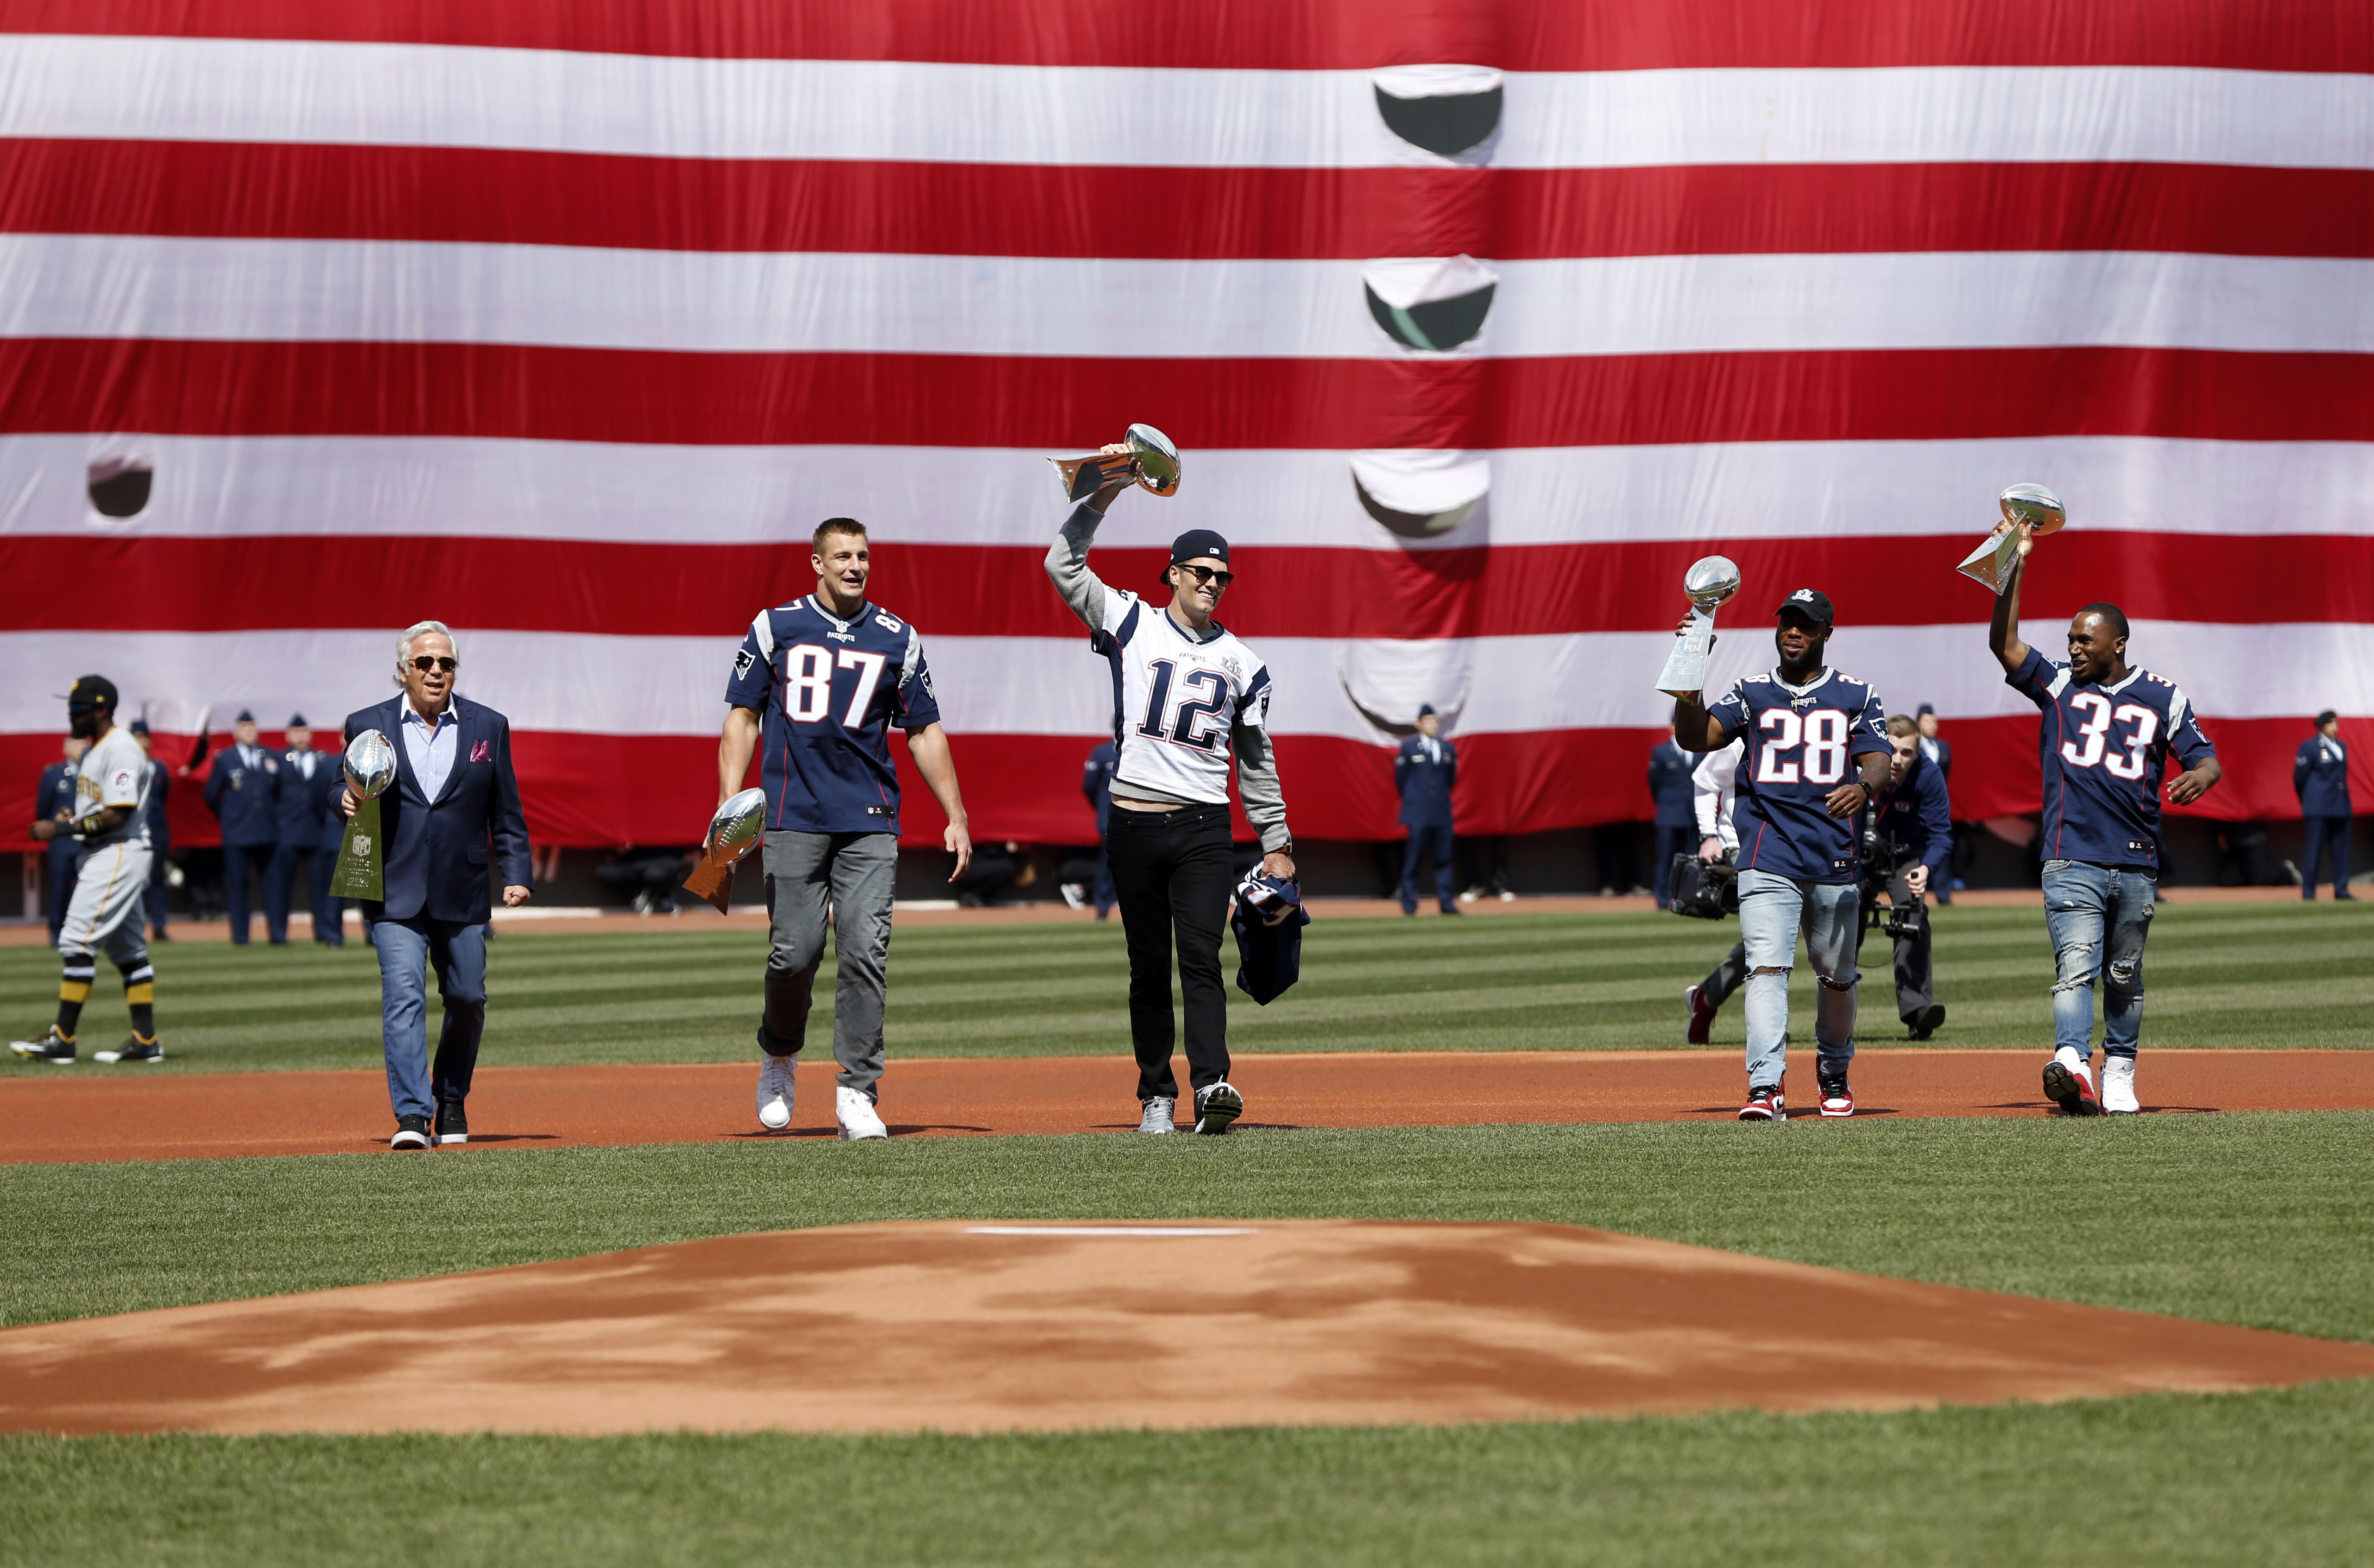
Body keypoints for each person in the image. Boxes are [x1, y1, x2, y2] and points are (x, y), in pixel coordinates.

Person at [1045, 452, 1295, 1136]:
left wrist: (1277, 842)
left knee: (1201, 958)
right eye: (1203, 574)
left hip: (1205, 828)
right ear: (1175, 574)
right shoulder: (1130, 620)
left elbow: (1256, 759)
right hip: (1133, 820)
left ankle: (1213, 1083)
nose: (1214, 585)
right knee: (1148, 966)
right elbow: (1062, 568)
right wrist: (1106, 493)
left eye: (1223, 576)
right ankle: (1156, 1091)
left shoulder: (1244, 661)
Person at [719, 517, 972, 1141]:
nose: (855, 566)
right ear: (817, 563)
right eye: (842, 556)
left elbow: (924, 730)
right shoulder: (777, 625)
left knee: (866, 951)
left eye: (863, 556)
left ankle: (858, 1089)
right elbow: (742, 717)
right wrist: (729, 807)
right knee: (794, 954)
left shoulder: (898, 637)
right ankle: (780, 1053)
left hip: (869, 820)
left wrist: (956, 814)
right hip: (792, 817)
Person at [1987, 523, 2220, 1115]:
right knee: (2075, 969)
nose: (2073, 649)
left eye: (2085, 640)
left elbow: (2207, 759)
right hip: (2071, 856)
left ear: (2118, 643)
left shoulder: (2163, 697)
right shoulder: (2059, 686)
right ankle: (2071, 1061)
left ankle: (2119, 1070)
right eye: (2069, 639)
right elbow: (2004, 643)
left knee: (2123, 975)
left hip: (2137, 858)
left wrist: (2201, 776)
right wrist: (2013, 566)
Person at [1671, 588, 1891, 1120]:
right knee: (1767, 970)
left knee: (1837, 976)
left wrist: (1864, 788)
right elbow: (1697, 737)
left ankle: (1834, 1071)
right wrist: (1689, 670)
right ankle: (1764, 1086)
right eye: (1787, 623)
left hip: (1833, 855)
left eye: (1806, 625)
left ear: (1826, 634)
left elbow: (1880, 758)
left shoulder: (1855, 693)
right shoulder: (1751, 692)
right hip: (1767, 854)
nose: (1794, 633)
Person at [341, 622, 534, 1150]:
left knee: (468, 997)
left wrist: (517, 874)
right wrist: (344, 797)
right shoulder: (367, 722)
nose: (436, 672)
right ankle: (411, 1114)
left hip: (464, 886)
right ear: (404, 669)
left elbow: (507, 809)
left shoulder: (488, 726)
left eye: (446, 664)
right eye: (425, 663)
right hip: (393, 885)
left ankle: (450, 1096)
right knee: (404, 995)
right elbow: (347, 778)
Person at [10, 677, 164, 1065]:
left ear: (100, 710)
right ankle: (146, 1041)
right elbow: (100, 811)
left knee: (76, 941)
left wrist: (60, 828)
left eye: (77, 708)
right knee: (129, 952)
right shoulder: (97, 750)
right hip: (108, 850)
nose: (71, 714)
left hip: (118, 851)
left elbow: (119, 814)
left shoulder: (121, 748)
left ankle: (63, 1038)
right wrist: (74, 818)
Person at [1866, 714, 1952, 1039]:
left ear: (1918, 753)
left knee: (1913, 910)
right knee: (1841, 914)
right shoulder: (1860, 764)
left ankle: (1917, 1011)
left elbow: (1942, 834)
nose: (1898, 760)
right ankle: (1835, 1014)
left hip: (1903, 855)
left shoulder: (1929, 775)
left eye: (1907, 753)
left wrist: (1925, 869)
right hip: (1856, 855)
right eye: (1893, 751)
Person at [1682, 737, 1747, 1043]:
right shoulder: (1746, 730)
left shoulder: (1818, 719)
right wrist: (1709, 834)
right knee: (1769, 938)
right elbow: (1705, 780)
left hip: (1798, 849)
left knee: (1769, 942)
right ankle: (1769, 1027)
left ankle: (1706, 998)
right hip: (1742, 846)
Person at [203, 710, 282, 944]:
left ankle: (278, 935)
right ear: (236, 732)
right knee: (238, 887)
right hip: (238, 833)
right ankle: (241, 936)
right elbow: (210, 795)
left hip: (266, 832)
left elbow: (278, 792)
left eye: (252, 727)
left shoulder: (269, 756)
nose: (249, 731)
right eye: (244, 727)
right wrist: (228, 816)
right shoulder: (225, 759)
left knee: (272, 887)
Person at [268, 715, 340, 944]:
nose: (300, 737)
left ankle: (322, 932)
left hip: (315, 832)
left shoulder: (323, 760)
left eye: (304, 732)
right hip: (286, 833)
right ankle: (279, 934)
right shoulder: (278, 760)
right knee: (281, 887)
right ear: (288, 735)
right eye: (296, 732)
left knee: (320, 887)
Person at [1395, 705, 1458, 916]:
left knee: (1444, 859)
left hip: (1441, 812)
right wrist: (1415, 802)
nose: (1433, 725)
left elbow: (1450, 779)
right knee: (1413, 859)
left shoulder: (1447, 748)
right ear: (1419, 724)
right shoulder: (1410, 748)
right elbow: (1401, 780)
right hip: (1418, 813)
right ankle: (1409, 903)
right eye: (1428, 721)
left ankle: (1447, 903)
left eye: (1435, 721)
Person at [2295, 711, 2353, 900]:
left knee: (2341, 852)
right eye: (2331, 723)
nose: (2335, 727)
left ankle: (2342, 890)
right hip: (2318, 806)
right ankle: (2309, 892)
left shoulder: (2341, 746)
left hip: (2340, 806)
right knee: (2313, 851)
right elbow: (2299, 777)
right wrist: (2310, 799)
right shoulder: (2310, 747)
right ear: (2322, 725)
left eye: (2336, 723)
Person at [35, 736, 86, 947]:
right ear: (66, 747)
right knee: (60, 890)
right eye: (77, 743)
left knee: (86, 893)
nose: (82, 747)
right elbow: (43, 809)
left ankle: (83, 934)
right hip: (62, 844)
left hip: (86, 843)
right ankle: (56, 935)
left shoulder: (92, 773)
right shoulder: (54, 773)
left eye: (85, 743)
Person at [1061, 739, 1119, 918]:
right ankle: (1102, 910)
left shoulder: (1139, 747)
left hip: (1140, 816)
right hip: (1110, 817)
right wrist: (1101, 807)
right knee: (1107, 863)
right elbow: (1088, 786)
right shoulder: (1103, 752)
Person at [127, 721, 173, 941]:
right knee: (131, 882)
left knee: (156, 880)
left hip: (156, 831)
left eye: (143, 737)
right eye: (136, 737)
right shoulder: (124, 768)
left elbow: (163, 797)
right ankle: (131, 928)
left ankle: (160, 926)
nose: (140, 742)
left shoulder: (159, 768)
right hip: (131, 832)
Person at [1914, 703, 1961, 903]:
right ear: (1918, 723)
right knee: (1915, 849)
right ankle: (1915, 893)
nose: (1933, 725)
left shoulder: (1943, 747)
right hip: (1915, 805)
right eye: (1927, 721)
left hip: (1936, 805)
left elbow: (1946, 774)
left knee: (1941, 843)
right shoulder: (1913, 747)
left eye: (1935, 721)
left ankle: (1944, 895)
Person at [1648, 735, 1698, 907]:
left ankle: (1688, 898)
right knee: (1666, 859)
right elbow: (1654, 782)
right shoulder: (1661, 752)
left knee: (1692, 860)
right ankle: (1662, 899)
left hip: (1693, 816)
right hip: (1669, 814)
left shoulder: (1699, 751)